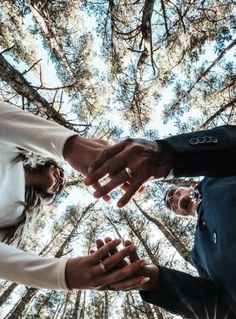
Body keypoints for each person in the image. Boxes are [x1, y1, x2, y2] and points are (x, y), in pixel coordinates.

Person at [85, 125, 236, 319]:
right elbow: (221, 307)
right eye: (169, 204)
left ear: (190, 186)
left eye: (174, 192)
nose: (172, 199)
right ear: (179, 216)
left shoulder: (218, 175)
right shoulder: (199, 253)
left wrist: (169, 153)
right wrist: (155, 282)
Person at [0, 102, 149, 292]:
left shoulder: (17, 214)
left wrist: (63, 274)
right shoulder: (12, 147)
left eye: (59, 187)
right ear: (48, 162)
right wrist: (69, 145)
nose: (59, 181)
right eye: (59, 173)